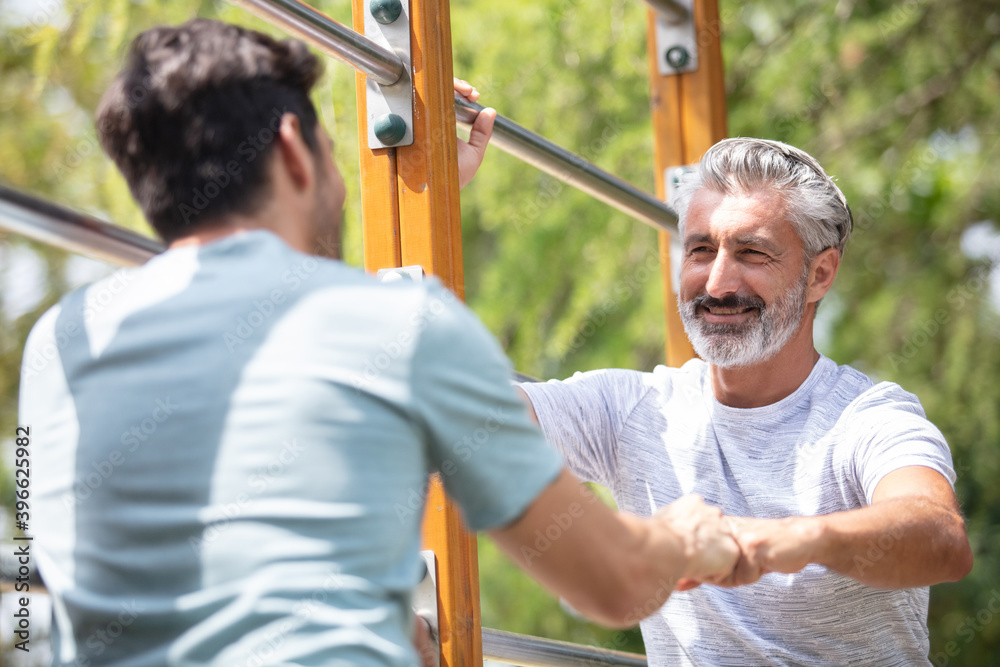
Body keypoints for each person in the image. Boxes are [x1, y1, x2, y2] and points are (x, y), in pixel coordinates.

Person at [17, 19, 741, 667]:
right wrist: (683, 535)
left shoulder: (57, 342)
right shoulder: (399, 325)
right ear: (295, 150)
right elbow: (612, 583)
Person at [514, 137, 974, 665]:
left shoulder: (868, 418)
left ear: (819, 275)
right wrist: (433, 175)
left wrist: (790, 540)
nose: (718, 282)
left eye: (752, 252)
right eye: (701, 250)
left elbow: (940, 536)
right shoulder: (631, 411)